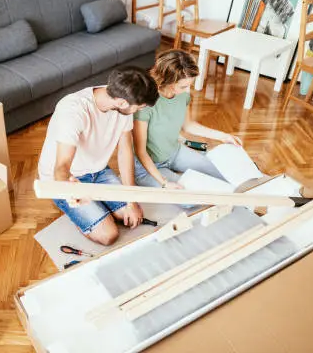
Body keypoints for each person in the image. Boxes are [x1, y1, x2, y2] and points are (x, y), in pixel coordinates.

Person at [38, 67, 159, 245]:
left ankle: (100, 207)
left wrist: (131, 199)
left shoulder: (121, 99)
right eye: (139, 108)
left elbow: (125, 151)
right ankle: (83, 215)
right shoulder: (73, 110)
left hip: (98, 170)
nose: (138, 111)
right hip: (68, 177)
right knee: (108, 235)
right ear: (122, 103)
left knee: (131, 215)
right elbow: (61, 168)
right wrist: (72, 192)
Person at [133, 49, 242, 190]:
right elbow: (141, 152)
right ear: (169, 81)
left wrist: (223, 136)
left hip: (174, 152)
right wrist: (164, 183)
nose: (187, 89)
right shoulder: (146, 103)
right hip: (148, 167)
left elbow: (188, 125)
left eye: (189, 84)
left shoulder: (183, 95)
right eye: (184, 86)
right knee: (189, 196)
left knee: (222, 174)